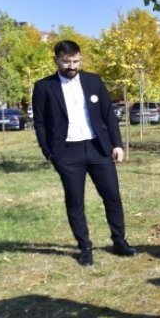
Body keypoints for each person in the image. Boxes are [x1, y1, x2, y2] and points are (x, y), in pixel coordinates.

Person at [32, 40, 137, 266]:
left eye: (76, 61)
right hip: (67, 152)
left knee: (112, 197)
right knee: (75, 202)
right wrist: (49, 152)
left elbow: (108, 114)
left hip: (98, 148)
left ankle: (119, 242)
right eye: (66, 61)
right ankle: (85, 247)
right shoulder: (44, 87)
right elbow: (39, 122)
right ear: (56, 60)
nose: (72, 66)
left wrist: (116, 144)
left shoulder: (94, 81)